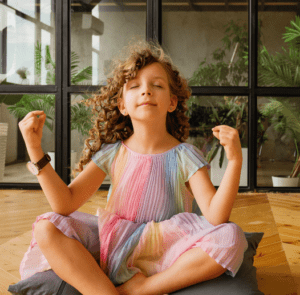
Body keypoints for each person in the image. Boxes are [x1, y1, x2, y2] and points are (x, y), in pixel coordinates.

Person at [18, 39, 248, 295]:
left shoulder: (185, 155)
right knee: (46, 227)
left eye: (157, 85)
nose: (146, 91)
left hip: (169, 248)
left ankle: (140, 289)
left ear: (172, 102)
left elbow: (216, 217)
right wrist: (35, 149)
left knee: (231, 236)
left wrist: (235, 161)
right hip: (114, 243)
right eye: (135, 86)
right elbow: (64, 203)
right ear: (122, 105)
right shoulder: (113, 152)